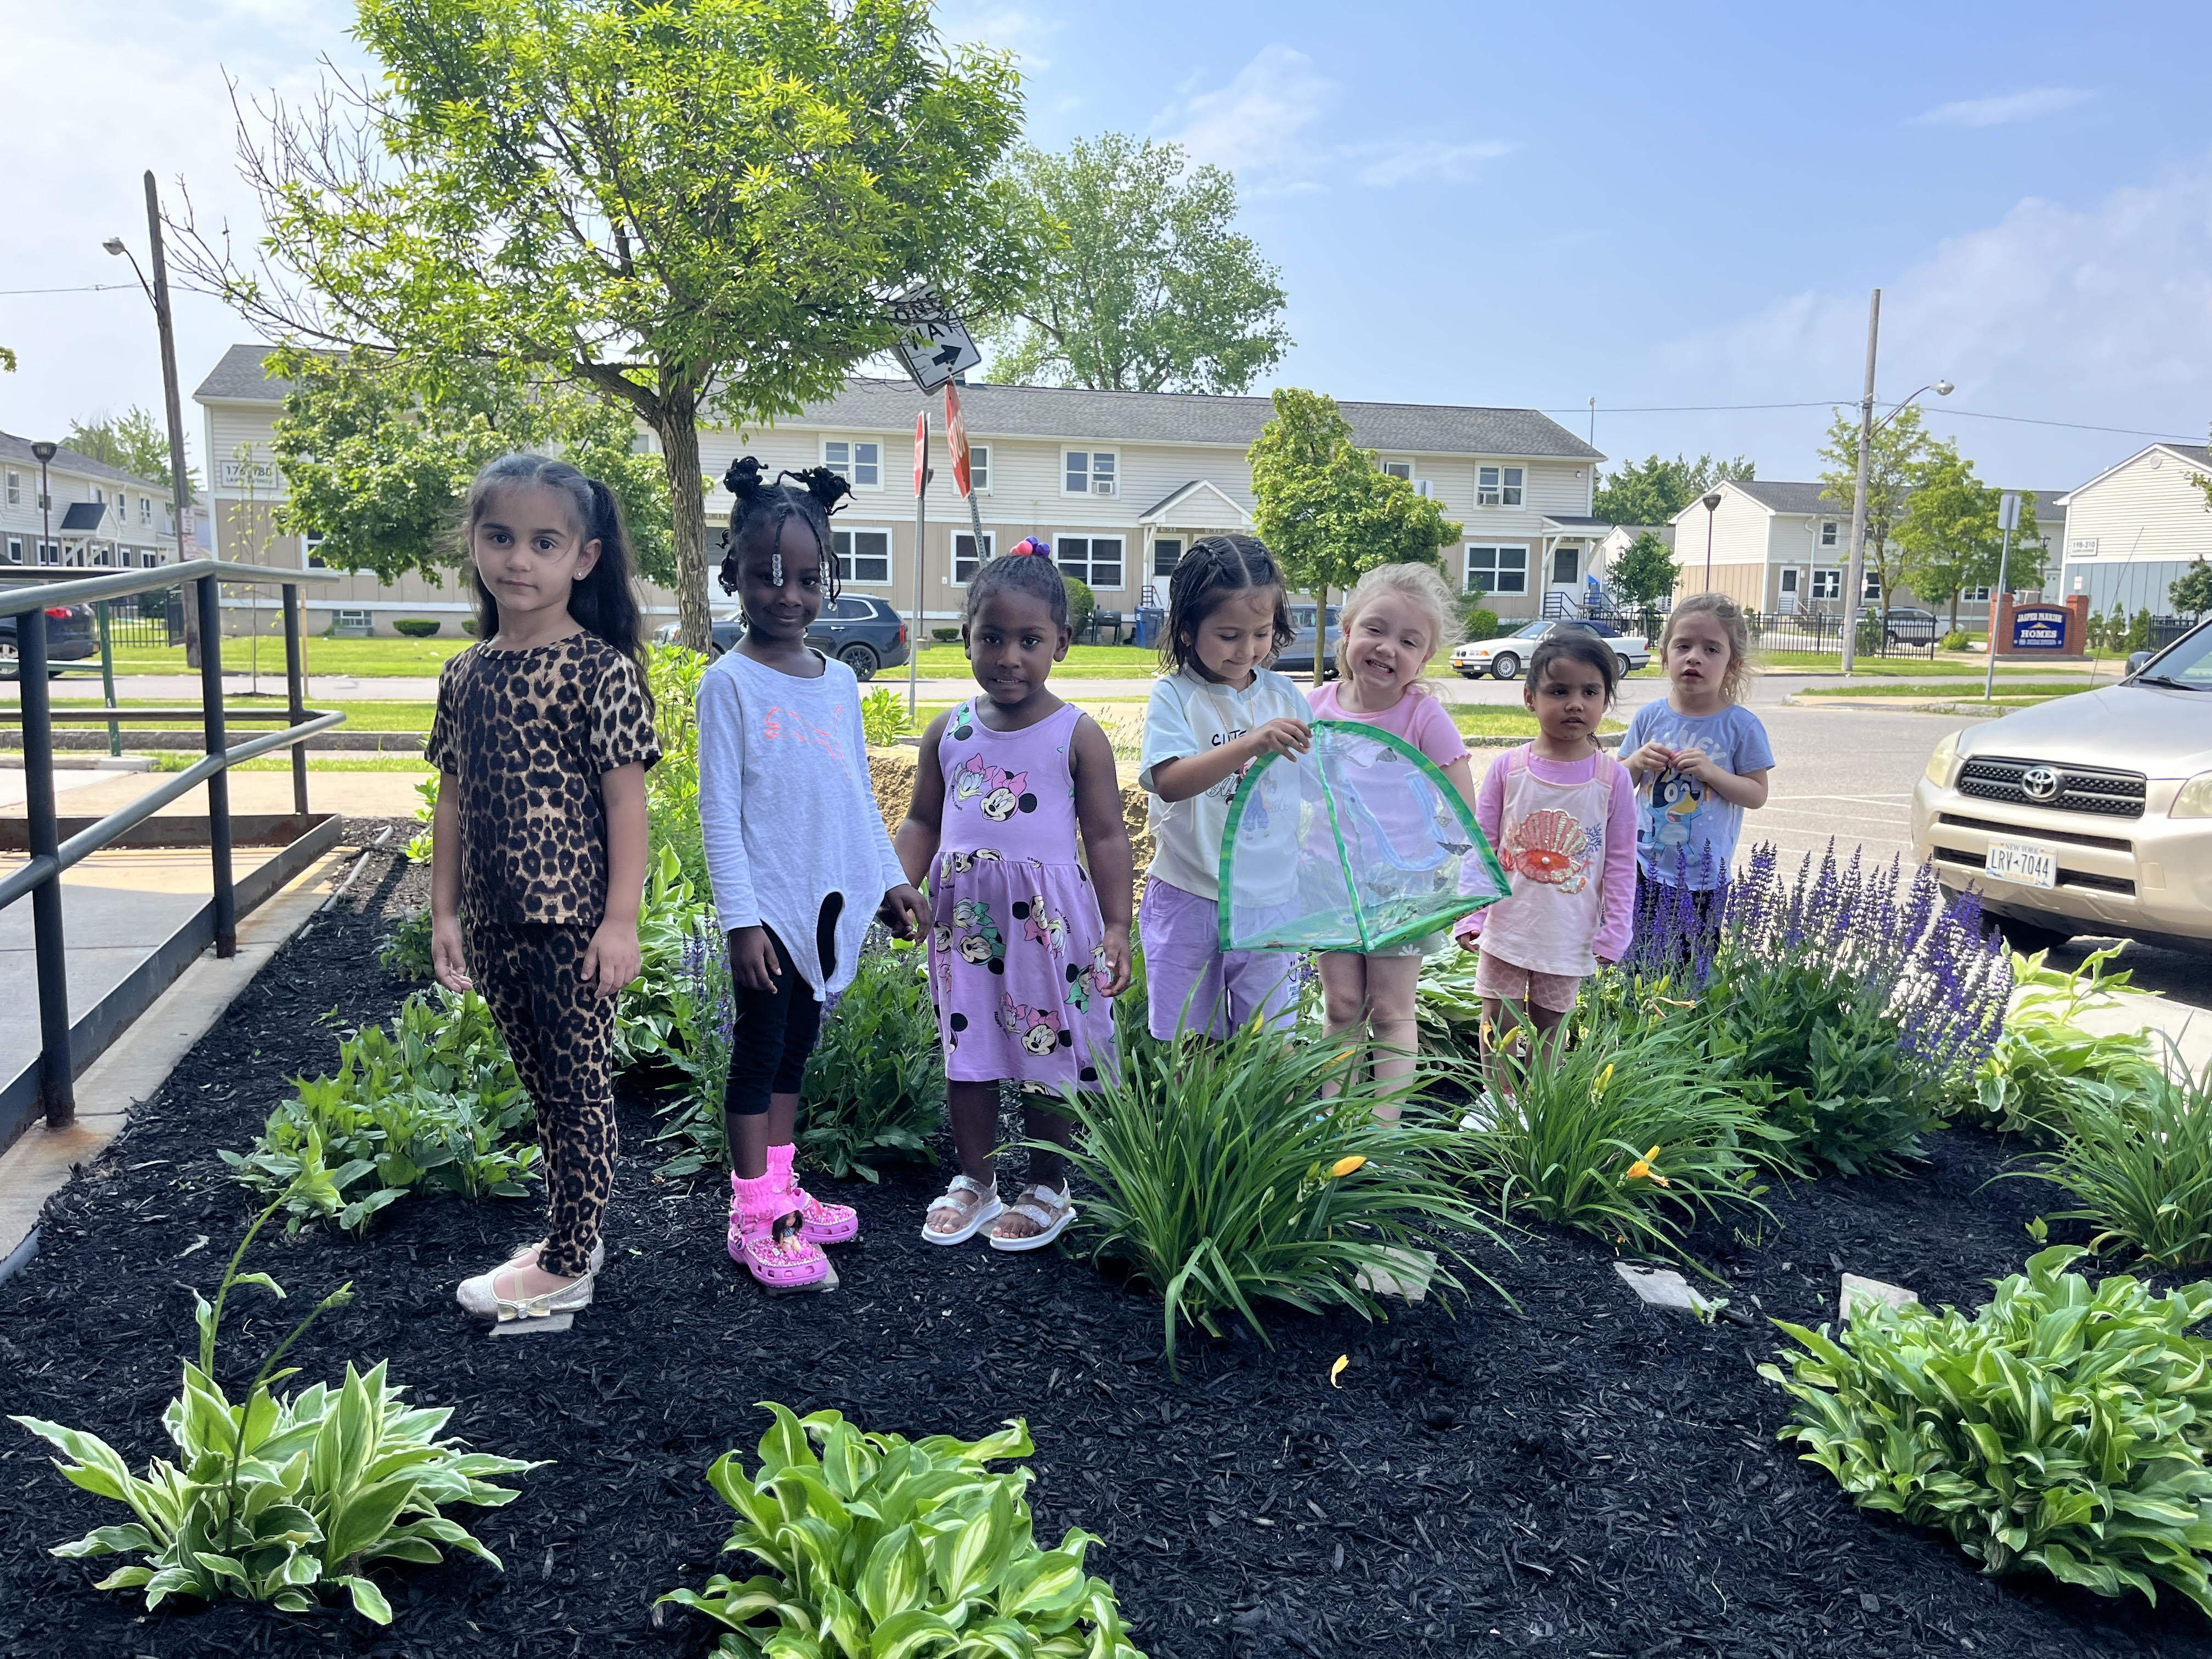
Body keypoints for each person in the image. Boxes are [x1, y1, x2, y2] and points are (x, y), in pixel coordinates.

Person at [432, 454, 660, 1324]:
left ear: (584, 558)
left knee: (580, 1090)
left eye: (543, 542)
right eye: (500, 537)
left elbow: (626, 804)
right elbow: (454, 796)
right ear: (476, 546)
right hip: (494, 922)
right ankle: (574, 1232)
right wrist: (445, 911)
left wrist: (620, 923)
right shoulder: (464, 675)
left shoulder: (600, 670)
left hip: (569, 923)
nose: (517, 560)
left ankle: (567, 1263)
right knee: (543, 1090)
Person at [697, 456, 930, 1290]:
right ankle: (752, 1215)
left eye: (804, 577)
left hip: (828, 903)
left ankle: (785, 1189)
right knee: (758, 1058)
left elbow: (856, 801)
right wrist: (741, 922)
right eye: (765, 576)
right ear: (735, 576)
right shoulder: (727, 684)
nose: (785, 594)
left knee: (797, 1053)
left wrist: (890, 883)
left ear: (826, 578)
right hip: (770, 913)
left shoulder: (837, 685)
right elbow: (718, 813)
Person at [894, 542, 1133, 1249]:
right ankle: (976, 1179)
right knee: (968, 1053)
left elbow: (1109, 837)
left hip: (1049, 930)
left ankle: (1049, 1186)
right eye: (990, 638)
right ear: (965, 636)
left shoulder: (1077, 735)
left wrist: (1117, 926)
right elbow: (922, 821)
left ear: (1062, 642)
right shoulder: (950, 730)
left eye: (1029, 641)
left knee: (1045, 1056)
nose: (1008, 657)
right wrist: (899, 883)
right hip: (964, 924)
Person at [1307, 562, 1475, 1116]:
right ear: (1348, 629)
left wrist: (1442, 884)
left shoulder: (1422, 716)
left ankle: (1382, 1133)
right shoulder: (1314, 710)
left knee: (1390, 1009)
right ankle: (1334, 1122)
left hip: (1402, 890)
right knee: (1343, 1004)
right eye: (1375, 629)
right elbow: (1288, 792)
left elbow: (1460, 807)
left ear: (1424, 659)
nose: (1387, 648)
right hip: (1332, 884)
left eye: (1409, 641)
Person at [1137, 534, 1311, 1041]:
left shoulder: (1283, 694)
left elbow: (1318, 779)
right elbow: (1170, 782)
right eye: (1230, 635)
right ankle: (1195, 1121)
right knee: (1189, 1038)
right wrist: (1251, 744)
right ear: (1188, 630)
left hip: (1270, 898)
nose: (1249, 650)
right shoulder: (1175, 697)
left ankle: (1261, 1123)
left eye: (1262, 633)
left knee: (1268, 1039)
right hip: (1189, 890)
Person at [1454, 630, 1637, 1079]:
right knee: (1499, 1022)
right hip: (1508, 927)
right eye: (1559, 691)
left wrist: (1616, 930)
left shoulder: (1612, 780)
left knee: (1550, 1025)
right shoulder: (1508, 768)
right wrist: (1470, 913)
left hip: (1568, 933)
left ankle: (1538, 1105)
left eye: (1590, 692)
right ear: (1530, 698)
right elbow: (1482, 844)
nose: (1575, 703)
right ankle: (1499, 1103)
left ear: (1605, 701)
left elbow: (1619, 862)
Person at [1618, 592, 1774, 958]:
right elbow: (1617, 783)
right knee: (1637, 963)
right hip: (1644, 867)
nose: (1694, 657)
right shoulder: (1649, 718)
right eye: (1683, 646)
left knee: (1693, 968)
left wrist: (1712, 773)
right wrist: (1637, 762)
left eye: (1711, 650)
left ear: (1732, 666)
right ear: (1665, 656)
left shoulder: (1741, 727)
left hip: (1705, 878)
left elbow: (1756, 794)